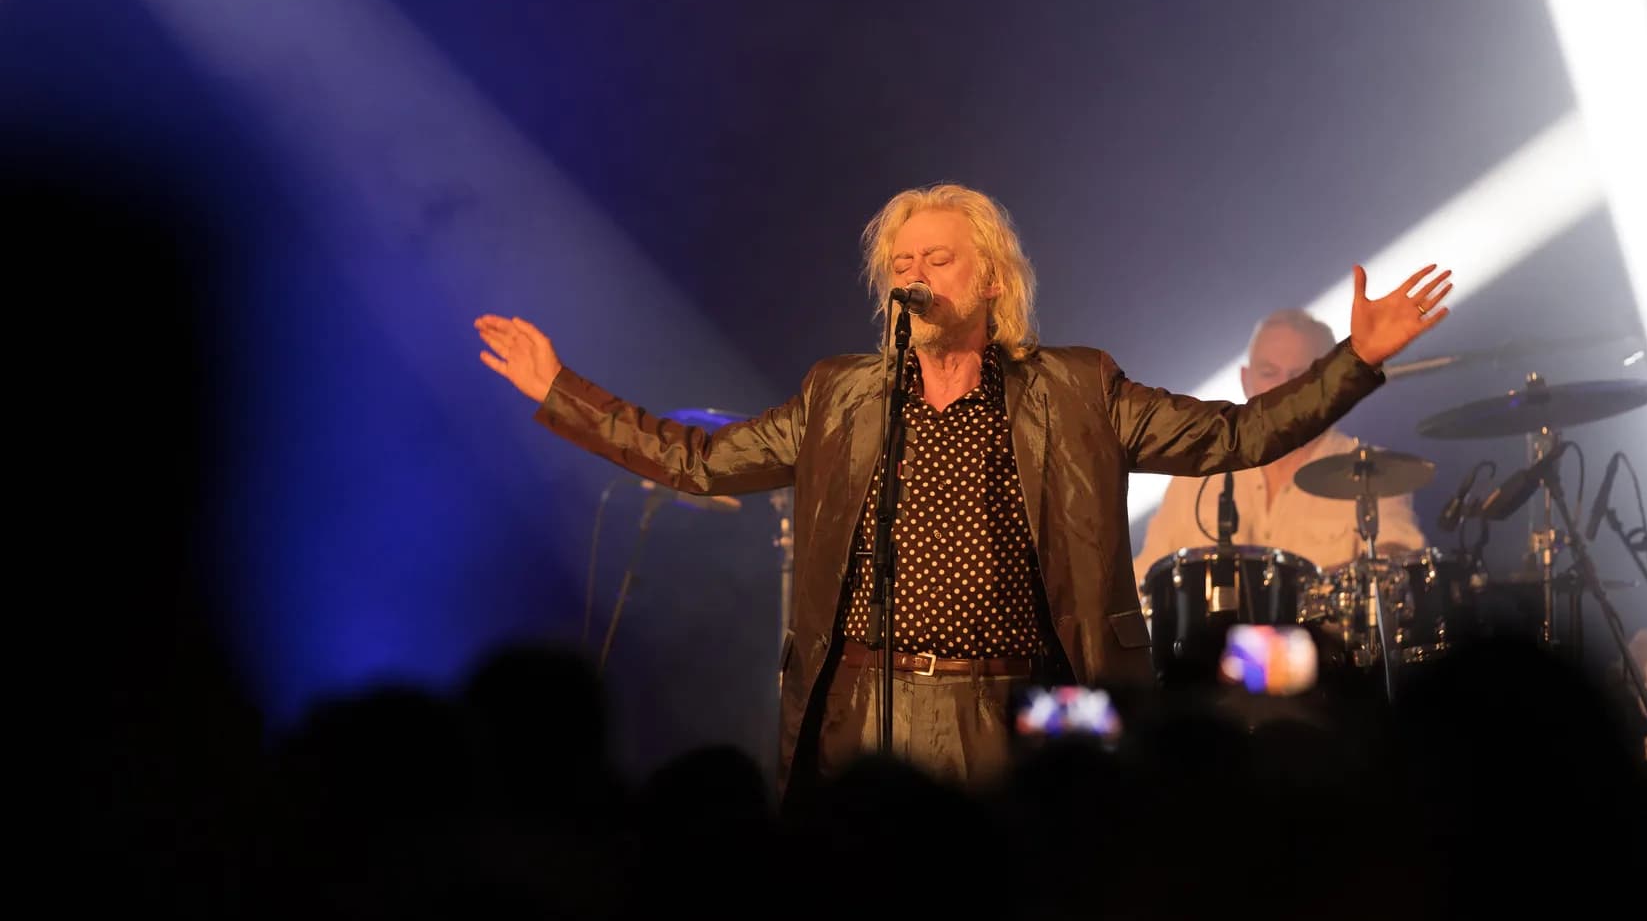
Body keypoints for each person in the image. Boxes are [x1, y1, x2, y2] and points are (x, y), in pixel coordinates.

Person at [475, 183, 1453, 798]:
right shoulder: (840, 397)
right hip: (863, 703)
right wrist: (563, 391)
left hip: (1022, 704)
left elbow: (1236, 433)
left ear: (989, 278)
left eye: (935, 258)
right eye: (899, 264)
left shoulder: (1073, 390)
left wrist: (1353, 362)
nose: (914, 274)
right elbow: (699, 460)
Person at [1132, 307, 1428, 587]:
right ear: (1246, 380)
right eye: (1269, 372)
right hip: (1213, 642)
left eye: (1300, 376)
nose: (1284, 389)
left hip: (1326, 640)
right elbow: (1146, 579)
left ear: (1331, 386)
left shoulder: (1370, 470)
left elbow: (1400, 560)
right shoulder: (1194, 478)